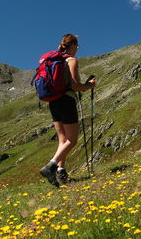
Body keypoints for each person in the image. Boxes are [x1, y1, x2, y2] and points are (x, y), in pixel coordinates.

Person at [39, 34, 96, 187]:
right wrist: (90, 85)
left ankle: (60, 173)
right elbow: (75, 86)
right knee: (72, 140)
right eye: (77, 47)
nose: (77, 50)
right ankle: (50, 166)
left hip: (53, 102)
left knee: (62, 140)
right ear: (72, 46)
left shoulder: (54, 60)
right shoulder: (71, 60)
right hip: (66, 101)